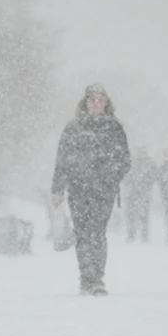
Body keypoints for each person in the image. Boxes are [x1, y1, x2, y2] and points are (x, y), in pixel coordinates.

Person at [51, 84, 131, 295]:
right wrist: (57, 189)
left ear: (106, 103)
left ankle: (96, 279)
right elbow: (62, 160)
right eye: (92, 99)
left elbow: (124, 160)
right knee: (82, 233)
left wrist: (110, 178)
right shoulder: (73, 128)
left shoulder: (114, 129)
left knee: (97, 233)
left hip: (104, 191)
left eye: (100, 99)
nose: (96, 103)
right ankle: (86, 278)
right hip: (78, 190)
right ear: (85, 103)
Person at [123, 146, 157, 243]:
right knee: (132, 214)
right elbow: (126, 176)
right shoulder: (134, 162)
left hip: (142, 193)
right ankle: (133, 234)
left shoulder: (148, 163)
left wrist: (144, 182)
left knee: (142, 214)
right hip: (134, 193)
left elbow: (153, 176)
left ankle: (142, 235)